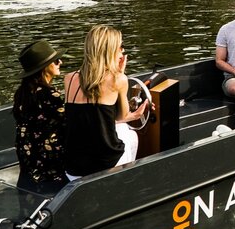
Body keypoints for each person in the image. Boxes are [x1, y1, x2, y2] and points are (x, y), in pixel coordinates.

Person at [64, 25, 148, 180]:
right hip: (106, 165)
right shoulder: (118, 80)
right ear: (110, 50)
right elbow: (122, 115)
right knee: (131, 135)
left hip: (73, 168)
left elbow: (90, 115)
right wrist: (121, 75)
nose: (122, 52)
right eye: (120, 47)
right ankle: (128, 180)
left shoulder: (69, 79)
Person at [13, 40, 67, 193]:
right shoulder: (50, 95)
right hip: (49, 165)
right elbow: (67, 126)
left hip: (27, 161)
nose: (60, 62)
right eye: (56, 61)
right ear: (44, 67)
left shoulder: (22, 93)